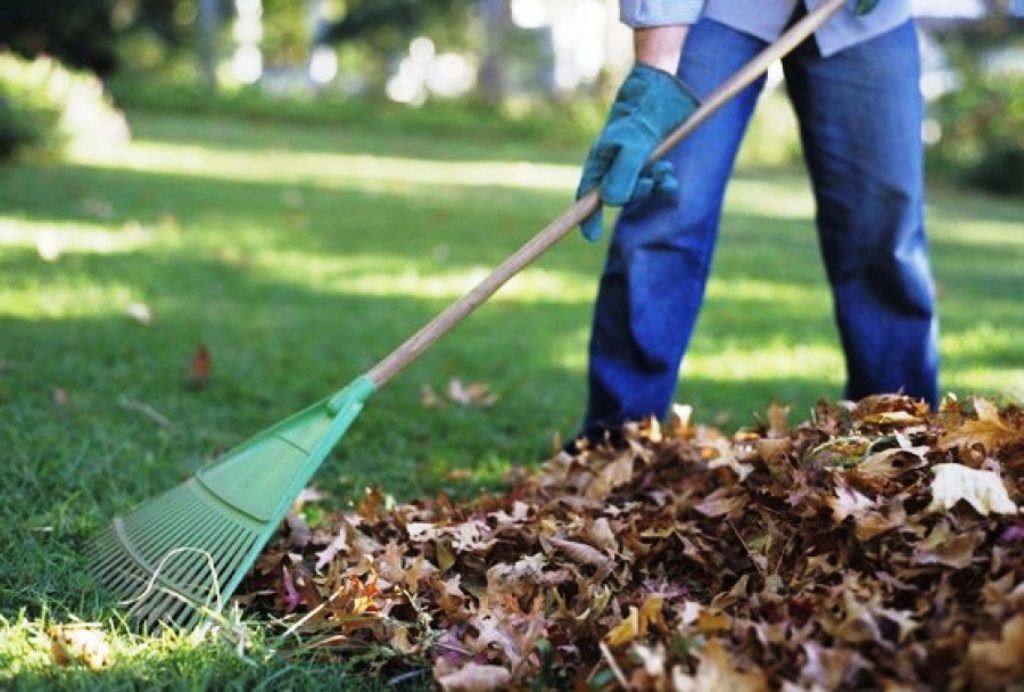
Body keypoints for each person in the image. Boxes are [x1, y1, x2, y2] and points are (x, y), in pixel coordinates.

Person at [569, 0, 940, 450]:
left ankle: (901, 446)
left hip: (862, 19)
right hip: (720, 11)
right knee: (666, 212)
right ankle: (614, 445)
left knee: (885, 224)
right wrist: (655, 77)